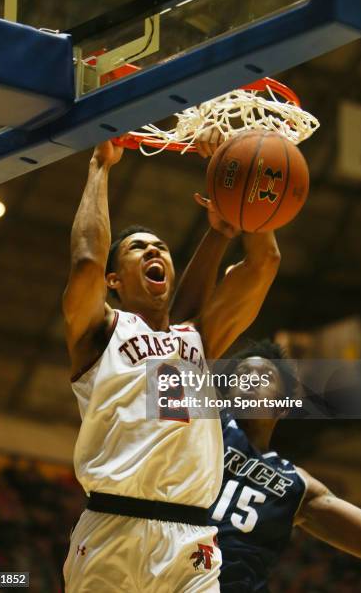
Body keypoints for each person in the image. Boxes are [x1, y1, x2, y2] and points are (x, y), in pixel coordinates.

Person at [62, 138, 281, 592]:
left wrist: (239, 191)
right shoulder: (101, 332)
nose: (154, 251)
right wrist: (100, 165)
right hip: (111, 528)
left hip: (191, 540)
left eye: (160, 246)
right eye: (138, 248)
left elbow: (265, 263)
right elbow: (86, 263)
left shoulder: (197, 339)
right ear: (115, 279)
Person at [209, 340, 361, 592]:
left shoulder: (296, 484)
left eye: (265, 376)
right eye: (242, 374)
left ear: (283, 405)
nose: (251, 380)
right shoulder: (205, 428)